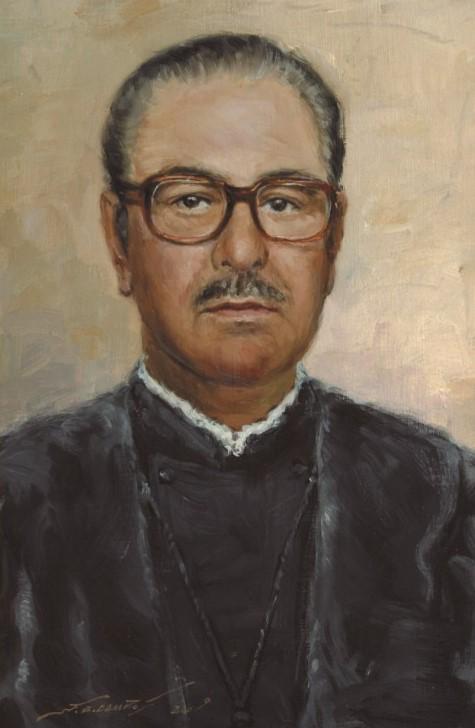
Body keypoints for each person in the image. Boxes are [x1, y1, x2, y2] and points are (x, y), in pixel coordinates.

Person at [0, 32, 474, 728]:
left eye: (284, 201)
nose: (243, 250)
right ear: (119, 238)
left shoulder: (442, 498)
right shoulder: (17, 501)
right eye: (191, 200)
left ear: (333, 237)